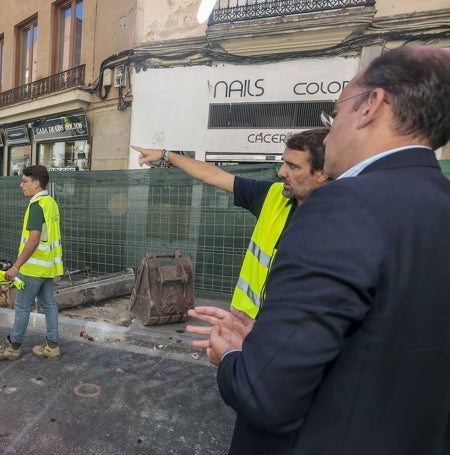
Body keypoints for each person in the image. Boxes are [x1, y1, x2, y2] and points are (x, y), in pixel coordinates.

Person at [187, 45, 450, 454]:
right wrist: (274, 342)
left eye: (335, 113)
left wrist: (235, 357)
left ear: (371, 106)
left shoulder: (345, 205)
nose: (330, 132)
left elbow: (266, 394)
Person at [133, 128, 330, 318]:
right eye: (284, 163)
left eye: (293, 166)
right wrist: (167, 155)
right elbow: (213, 175)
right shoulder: (272, 196)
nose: (281, 172)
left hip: (285, 334)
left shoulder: (339, 222)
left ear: (322, 173)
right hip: (244, 321)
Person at [0, 165, 64, 360]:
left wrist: (16, 266)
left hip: (32, 268)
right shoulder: (51, 203)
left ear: (36, 183)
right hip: (47, 267)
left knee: (22, 307)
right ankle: (52, 346)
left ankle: (13, 347)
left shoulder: (36, 206)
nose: (21, 185)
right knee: (49, 305)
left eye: (24, 181)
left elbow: (34, 240)